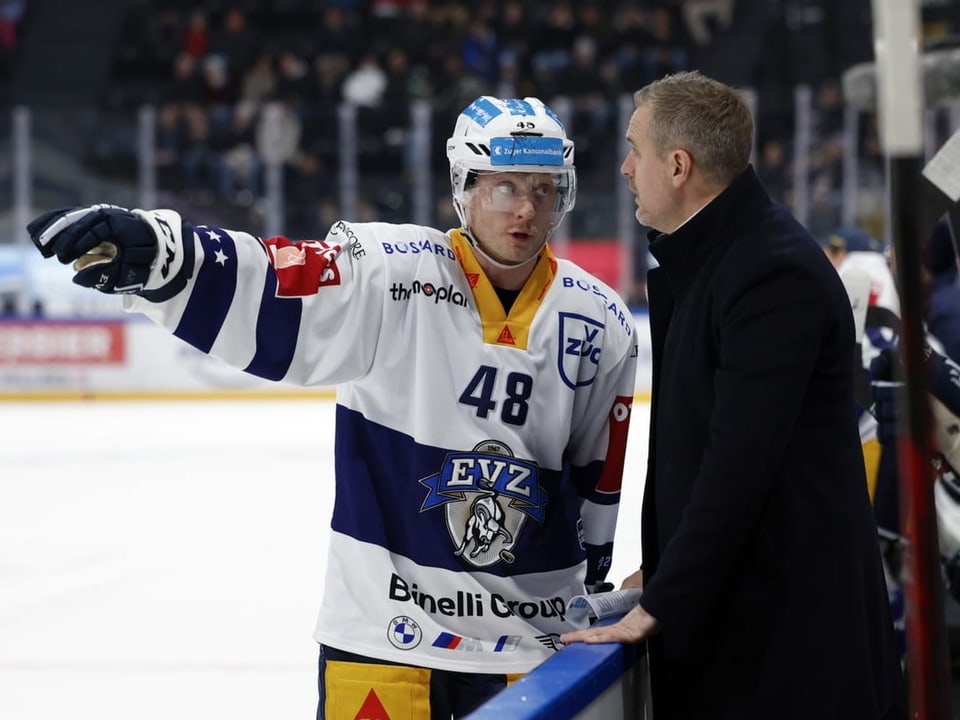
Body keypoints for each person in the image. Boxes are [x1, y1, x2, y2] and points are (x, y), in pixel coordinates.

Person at [26, 96, 638, 720]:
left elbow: (597, 488)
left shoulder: (601, 321)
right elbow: (277, 282)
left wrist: (586, 593)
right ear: (464, 185)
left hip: (532, 652)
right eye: (505, 186)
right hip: (381, 641)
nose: (527, 210)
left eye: (544, 188)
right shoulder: (387, 273)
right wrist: (164, 254)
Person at [560, 71, 905, 719]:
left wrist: (664, 599)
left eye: (636, 150)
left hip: (788, 652)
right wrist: (663, 569)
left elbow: (739, 467)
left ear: (679, 165)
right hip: (754, 627)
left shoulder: (769, 273)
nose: (628, 169)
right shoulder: (723, 263)